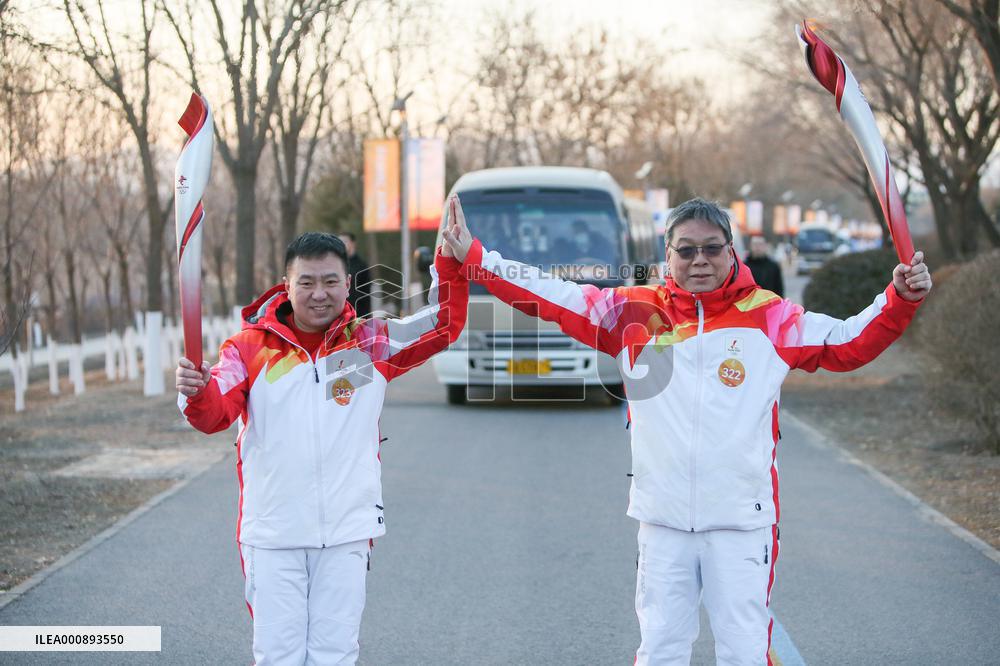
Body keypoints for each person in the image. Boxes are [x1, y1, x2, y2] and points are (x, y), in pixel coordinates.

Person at [441, 196, 931, 666]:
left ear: (731, 250)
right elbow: (548, 295)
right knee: (662, 653)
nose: (701, 260)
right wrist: (476, 258)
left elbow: (848, 343)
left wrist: (898, 299)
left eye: (712, 248)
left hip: (740, 524)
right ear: (667, 254)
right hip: (664, 523)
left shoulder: (771, 316)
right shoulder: (632, 314)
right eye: (687, 249)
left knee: (743, 654)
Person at [176, 203, 469, 665]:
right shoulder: (247, 350)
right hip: (273, 536)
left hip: (347, 532)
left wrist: (452, 261)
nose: (319, 294)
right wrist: (195, 393)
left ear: (347, 284)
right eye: (306, 282)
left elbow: (444, 322)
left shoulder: (371, 343)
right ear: (287, 286)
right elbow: (213, 413)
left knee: (335, 656)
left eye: (330, 281)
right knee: (279, 656)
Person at [337, 230, 372, 318]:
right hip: (340, 314)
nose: (342, 244)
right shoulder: (337, 264)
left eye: (345, 241)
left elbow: (365, 294)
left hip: (358, 314)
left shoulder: (362, 266)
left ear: (353, 243)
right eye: (339, 242)